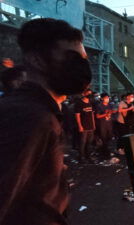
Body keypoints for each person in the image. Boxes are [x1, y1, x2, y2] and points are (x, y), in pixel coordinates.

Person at [0, 18, 91, 225]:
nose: (81, 67)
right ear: (37, 60)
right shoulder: (28, 117)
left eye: (83, 59)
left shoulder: (42, 111)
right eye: (71, 58)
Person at [75, 89, 96, 163]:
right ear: (84, 94)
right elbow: (77, 115)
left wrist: (93, 124)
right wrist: (80, 126)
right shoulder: (79, 103)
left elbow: (92, 114)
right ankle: (81, 157)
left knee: (89, 142)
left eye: (90, 93)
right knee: (82, 142)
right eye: (88, 93)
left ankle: (88, 156)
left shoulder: (90, 103)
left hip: (90, 126)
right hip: (83, 126)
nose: (89, 95)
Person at [95, 93, 115, 159]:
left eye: (108, 97)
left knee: (109, 137)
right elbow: (97, 116)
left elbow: (112, 112)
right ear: (102, 98)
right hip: (102, 124)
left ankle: (104, 150)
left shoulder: (110, 105)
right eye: (106, 98)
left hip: (109, 123)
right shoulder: (99, 106)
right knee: (103, 138)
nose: (107, 99)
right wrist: (105, 114)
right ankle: (105, 153)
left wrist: (113, 112)